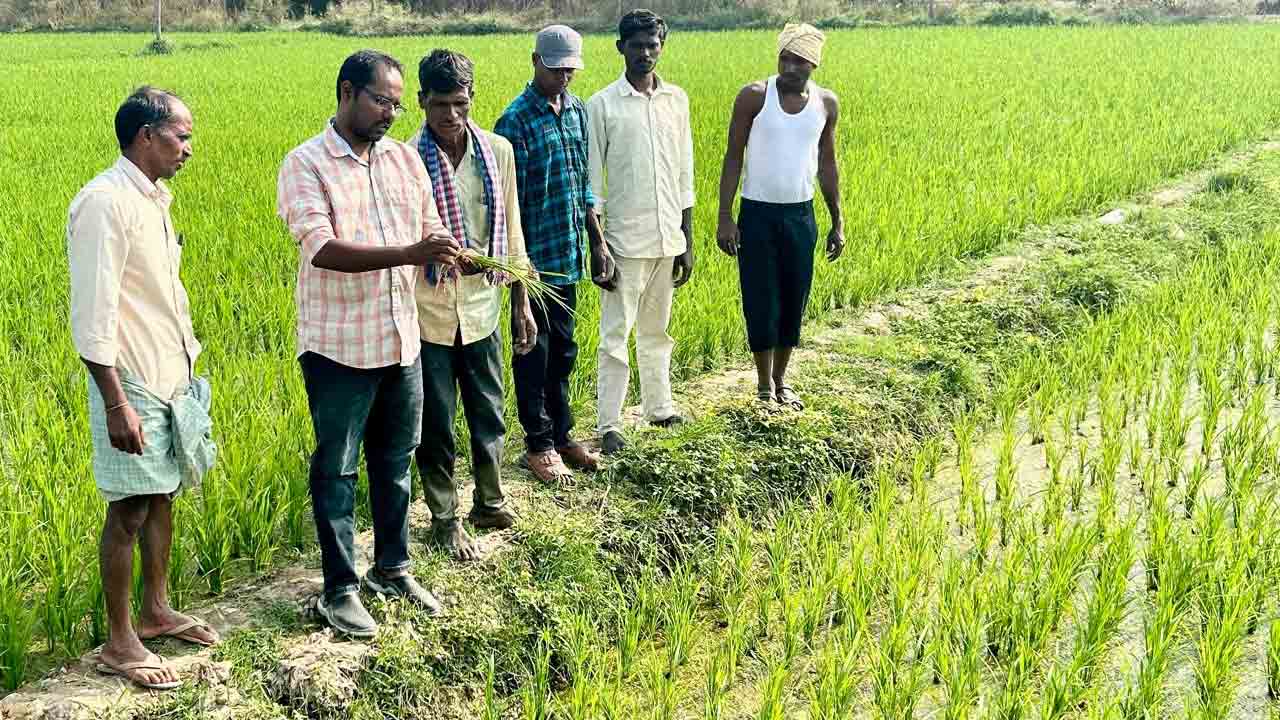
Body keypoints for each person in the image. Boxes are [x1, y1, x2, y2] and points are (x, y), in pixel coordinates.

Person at [277, 49, 461, 638]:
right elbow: (322, 248)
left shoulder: (404, 160)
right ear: (347, 92)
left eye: (396, 104)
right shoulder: (306, 164)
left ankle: (392, 567)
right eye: (380, 100)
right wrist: (411, 254)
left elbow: (429, 224)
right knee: (336, 468)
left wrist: (447, 250)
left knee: (395, 458)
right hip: (339, 347)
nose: (390, 113)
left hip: (400, 336)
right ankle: (339, 588)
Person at [68, 86, 219, 691]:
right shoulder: (104, 202)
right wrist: (116, 402)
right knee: (128, 509)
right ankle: (119, 639)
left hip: (168, 373)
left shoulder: (153, 197)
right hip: (129, 380)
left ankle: (155, 611)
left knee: (163, 496)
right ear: (145, 136)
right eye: (181, 136)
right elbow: (93, 312)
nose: (188, 147)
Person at [408, 49, 537, 561]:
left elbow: (513, 231)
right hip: (427, 312)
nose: (451, 115)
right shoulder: (405, 159)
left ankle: (489, 500)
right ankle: (444, 517)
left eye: (460, 103)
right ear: (421, 101)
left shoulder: (498, 152)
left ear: (472, 98)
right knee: (435, 423)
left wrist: (522, 302)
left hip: (482, 307)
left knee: (488, 411)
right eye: (440, 104)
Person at [495, 25, 605, 482]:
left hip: (568, 253)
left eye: (570, 69)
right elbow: (507, 203)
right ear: (535, 61)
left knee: (563, 352)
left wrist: (597, 240)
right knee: (532, 353)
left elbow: (582, 183)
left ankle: (562, 435)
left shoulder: (577, 111)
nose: (564, 77)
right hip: (532, 261)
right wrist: (520, 269)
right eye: (556, 68)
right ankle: (537, 445)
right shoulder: (514, 121)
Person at [715, 23, 844, 410]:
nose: (790, 67)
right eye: (784, 58)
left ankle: (782, 379)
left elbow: (827, 163)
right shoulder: (755, 97)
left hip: (800, 215)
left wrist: (837, 220)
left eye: (799, 61)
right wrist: (725, 215)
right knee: (760, 297)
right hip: (757, 214)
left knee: (794, 297)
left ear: (813, 65)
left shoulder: (826, 104)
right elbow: (733, 156)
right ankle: (762, 386)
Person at [587, 9, 694, 456]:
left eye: (653, 44)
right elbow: (591, 183)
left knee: (657, 330)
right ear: (621, 48)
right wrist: (598, 245)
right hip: (623, 241)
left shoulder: (677, 100)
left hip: (668, 234)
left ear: (661, 46)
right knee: (616, 334)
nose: (646, 53)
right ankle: (609, 424)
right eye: (637, 45)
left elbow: (685, 172)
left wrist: (688, 238)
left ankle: (659, 407)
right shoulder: (603, 105)